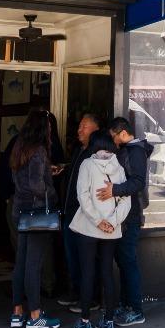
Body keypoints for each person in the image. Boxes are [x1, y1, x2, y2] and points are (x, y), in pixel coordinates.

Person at [70, 128, 130, 328]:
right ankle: (109, 321)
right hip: (111, 230)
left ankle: (85, 321)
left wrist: (98, 221)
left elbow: (82, 195)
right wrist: (112, 222)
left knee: (88, 272)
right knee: (107, 273)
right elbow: (126, 198)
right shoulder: (118, 166)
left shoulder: (87, 164)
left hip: (88, 227)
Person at [98, 116, 151, 326]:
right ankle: (125, 304)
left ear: (122, 133)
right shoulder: (127, 150)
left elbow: (137, 182)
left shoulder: (135, 151)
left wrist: (115, 190)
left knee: (128, 262)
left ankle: (136, 309)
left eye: (114, 136)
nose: (113, 141)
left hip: (131, 215)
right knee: (122, 261)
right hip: (122, 215)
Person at [9, 114, 61, 328]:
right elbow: (36, 186)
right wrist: (52, 191)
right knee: (34, 263)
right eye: (48, 127)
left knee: (21, 262)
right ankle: (35, 315)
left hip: (20, 209)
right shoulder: (39, 150)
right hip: (36, 212)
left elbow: (21, 179)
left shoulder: (20, 148)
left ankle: (17, 312)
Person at [59, 112, 102, 312]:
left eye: (83, 127)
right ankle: (76, 292)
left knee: (86, 258)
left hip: (85, 215)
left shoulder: (95, 154)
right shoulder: (79, 150)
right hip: (69, 212)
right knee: (71, 256)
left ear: (95, 129)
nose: (78, 130)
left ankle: (90, 298)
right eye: (79, 126)